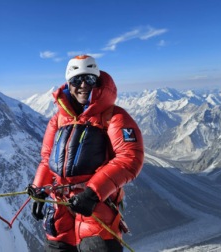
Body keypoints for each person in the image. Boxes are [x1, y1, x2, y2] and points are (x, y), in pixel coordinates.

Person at [28, 55, 144, 252]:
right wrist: (39, 188)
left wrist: (92, 193)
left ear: (97, 81)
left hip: (97, 208)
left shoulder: (114, 117)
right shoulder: (58, 120)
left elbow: (130, 158)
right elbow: (47, 158)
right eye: (76, 80)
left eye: (89, 79)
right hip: (60, 207)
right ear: (68, 83)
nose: (83, 85)